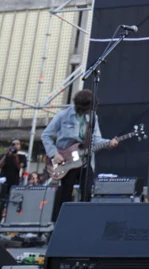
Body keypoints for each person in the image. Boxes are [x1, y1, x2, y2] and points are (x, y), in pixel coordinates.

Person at [41, 90, 118, 221]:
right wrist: (54, 154)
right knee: (65, 194)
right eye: (89, 108)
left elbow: (95, 139)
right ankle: (60, 223)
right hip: (67, 161)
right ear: (82, 107)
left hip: (85, 160)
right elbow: (46, 135)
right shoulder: (63, 115)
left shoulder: (93, 118)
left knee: (87, 192)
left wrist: (108, 142)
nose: (90, 111)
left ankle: (84, 221)